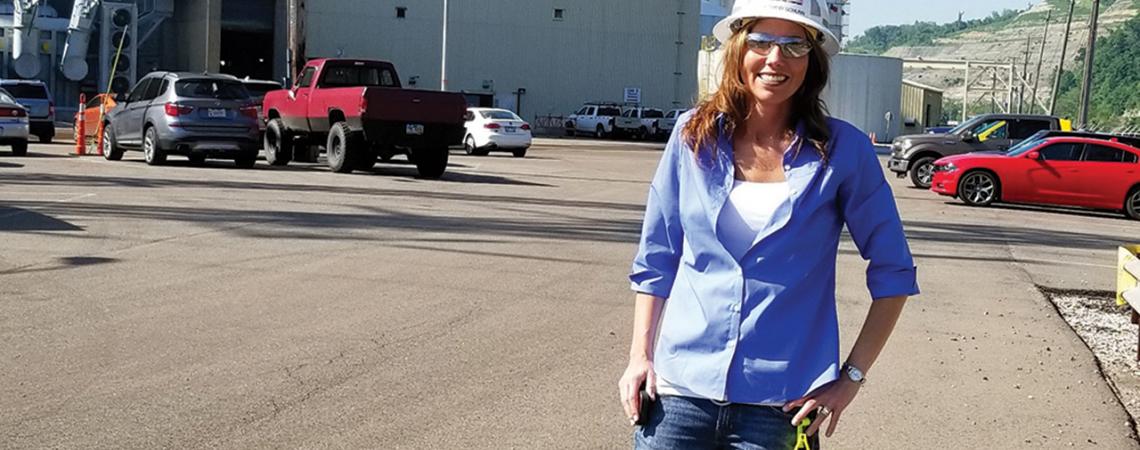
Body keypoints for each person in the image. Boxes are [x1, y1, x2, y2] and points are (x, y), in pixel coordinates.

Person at [618, 1, 920, 448]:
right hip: (678, 398)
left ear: (811, 61)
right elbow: (656, 259)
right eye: (761, 41)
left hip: (781, 409)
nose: (775, 59)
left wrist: (851, 378)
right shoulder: (691, 138)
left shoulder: (845, 152)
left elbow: (894, 273)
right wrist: (639, 356)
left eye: (794, 45)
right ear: (738, 48)